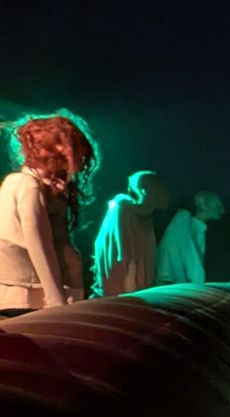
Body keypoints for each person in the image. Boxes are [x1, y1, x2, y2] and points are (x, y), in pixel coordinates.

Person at [0, 110, 96, 311]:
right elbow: (40, 245)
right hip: (35, 299)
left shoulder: (28, 184)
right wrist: (57, 303)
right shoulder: (27, 184)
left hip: (37, 297)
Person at [93, 170, 167, 296]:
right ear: (144, 190)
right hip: (123, 289)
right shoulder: (123, 209)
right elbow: (123, 253)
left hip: (137, 289)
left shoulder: (146, 218)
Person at [155, 190, 224, 285]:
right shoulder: (181, 225)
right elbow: (170, 258)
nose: (222, 210)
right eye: (217, 204)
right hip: (177, 288)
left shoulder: (197, 229)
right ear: (200, 203)